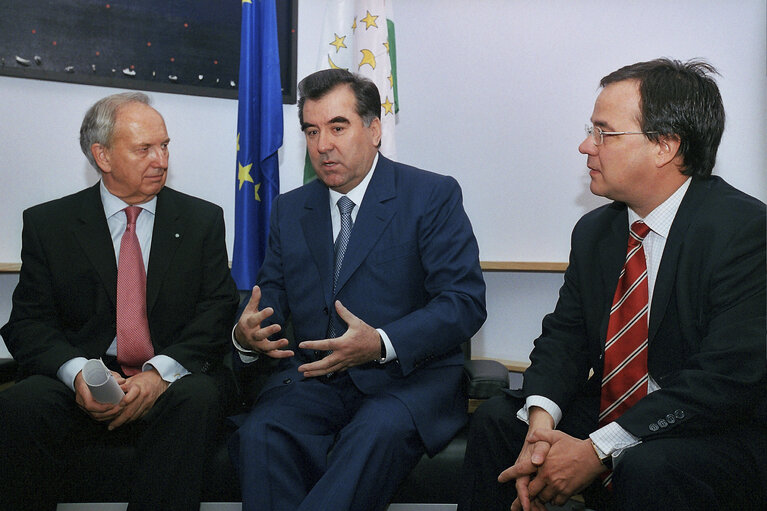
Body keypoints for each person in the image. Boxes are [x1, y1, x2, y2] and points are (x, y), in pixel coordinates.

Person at [459, 58, 766, 511]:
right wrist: (541, 423)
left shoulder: (744, 230)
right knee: (500, 421)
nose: (586, 146)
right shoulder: (595, 232)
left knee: (648, 465)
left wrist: (596, 450)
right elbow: (564, 338)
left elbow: (724, 381)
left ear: (665, 145)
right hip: (616, 407)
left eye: (604, 132)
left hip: (713, 426)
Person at [230, 68, 487, 511]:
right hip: (313, 381)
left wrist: (381, 344)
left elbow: (463, 303)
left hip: (403, 382)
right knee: (261, 433)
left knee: (373, 434)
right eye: (311, 131)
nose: (322, 145)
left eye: (337, 127)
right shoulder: (290, 210)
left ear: (374, 130)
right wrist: (245, 337)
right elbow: (267, 301)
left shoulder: (430, 195)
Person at [0, 92, 240, 511]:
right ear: (103, 156)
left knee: (199, 396)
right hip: (85, 381)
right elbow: (29, 323)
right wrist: (81, 376)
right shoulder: (48, 224)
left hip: (171, 378)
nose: (161, 160)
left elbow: (217, 312)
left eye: (164, 145)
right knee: (23, 403)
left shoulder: (201, 220)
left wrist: (157, 375)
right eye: (144, 148)